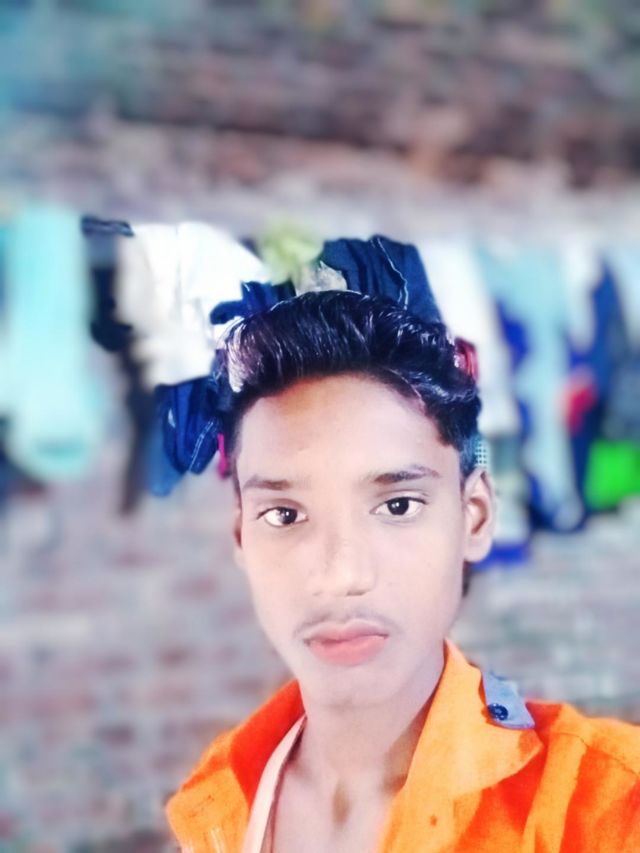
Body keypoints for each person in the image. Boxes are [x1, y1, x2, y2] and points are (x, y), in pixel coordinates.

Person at [166, 289, 640, 852]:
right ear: (243, 537)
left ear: (474, 516)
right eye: (284, 515)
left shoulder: (604, 803)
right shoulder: (219, 800)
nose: (342, 574)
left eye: (397, 506)